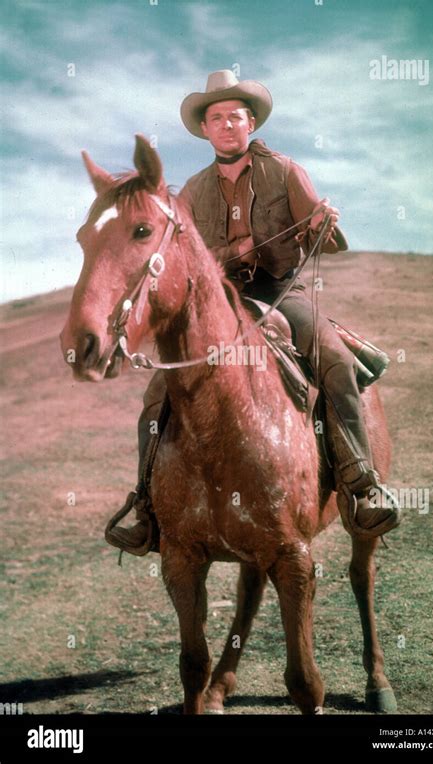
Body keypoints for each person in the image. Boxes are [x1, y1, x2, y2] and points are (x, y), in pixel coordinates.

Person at [106, 70, 400, 555]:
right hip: (220, 301)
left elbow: (320, 236)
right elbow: (185, 259)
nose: (225, 125)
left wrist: (324, 223)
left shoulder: (284, 171)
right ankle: (147, 508)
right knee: (158, 392)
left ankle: (359, 482)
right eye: (216, 118)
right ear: (205, 129)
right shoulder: (191, 193)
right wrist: (235, 250)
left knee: (334, 359)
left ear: (250, 122)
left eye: (234, 117)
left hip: (283, 291)